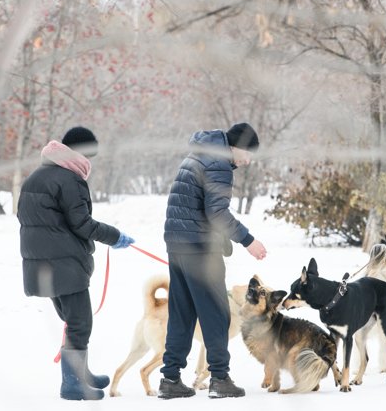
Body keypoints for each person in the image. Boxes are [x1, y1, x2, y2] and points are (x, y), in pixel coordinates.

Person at [17, 126, 135, 400]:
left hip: (42, 262)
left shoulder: (37, 176)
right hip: (64, 262)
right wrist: (115, 236)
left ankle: (79, 372)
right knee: (80, 322)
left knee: (73, 321)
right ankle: (72, 384)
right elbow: (82, 224)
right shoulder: (69, 179)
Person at [158, 122, 268, 399]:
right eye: (249, 153)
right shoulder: (218, 163)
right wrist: (248, 240)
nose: (248, 160)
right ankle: (219, 378)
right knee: (217, 313)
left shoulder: (198, 154)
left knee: (182, 313)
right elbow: (217, 212)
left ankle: (170, 379)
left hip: (178, 244)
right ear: (237, 147)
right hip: (199, 250)